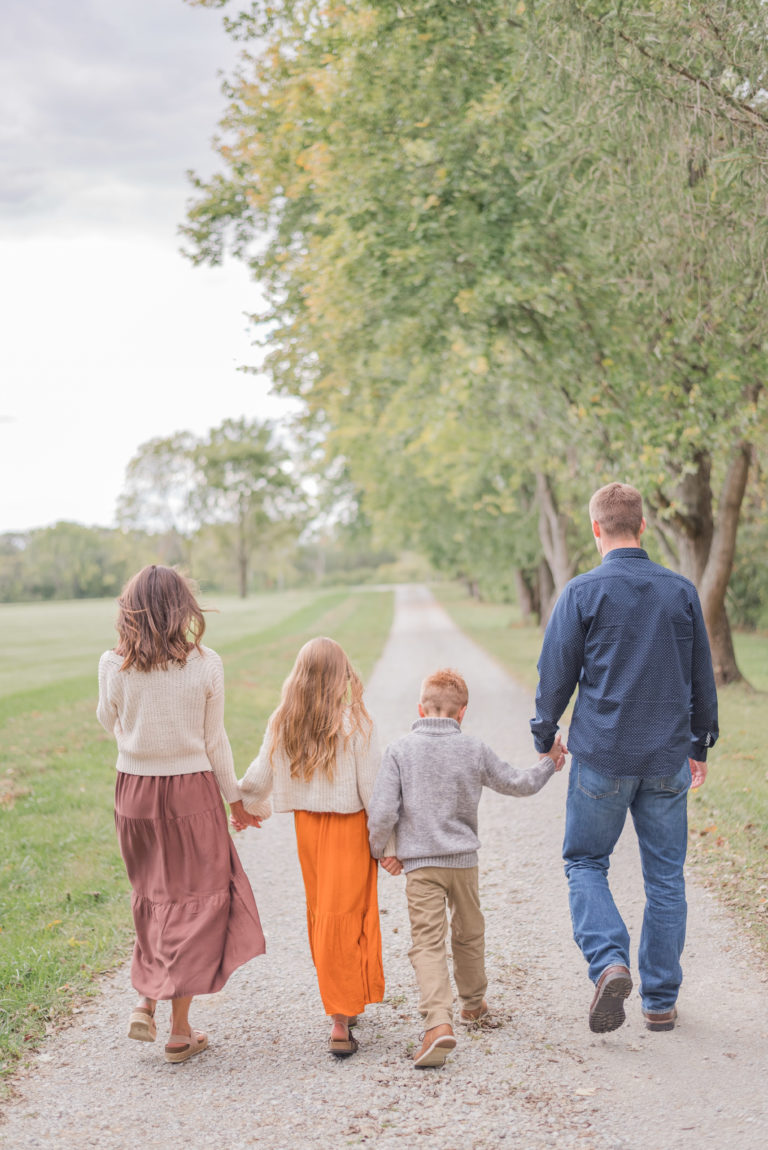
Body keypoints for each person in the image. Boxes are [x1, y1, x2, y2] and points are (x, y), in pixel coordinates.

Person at [531, 482, 719, 1034]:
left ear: (596, 529)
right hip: (666, 759)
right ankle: (659, 1001)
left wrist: (545, 735)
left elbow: (554, 677)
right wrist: (700, 744)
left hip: (602, 758)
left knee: (586, 862)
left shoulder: (582, 593)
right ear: (642, 527)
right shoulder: (680, 591)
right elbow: (701, 677)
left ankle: (609, 962)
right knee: (665, 878)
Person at [97, 565, 268, 1063]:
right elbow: (215, 741)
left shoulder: (112, 663)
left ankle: (145, 1001)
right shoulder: (206, 663)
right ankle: (179, 1031)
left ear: (129, 609)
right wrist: (236, 801)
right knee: (195, 901)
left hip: (133, 793)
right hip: (190, 792)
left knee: (153, 894)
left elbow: (107, 718)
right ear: (183, 607)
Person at [367, 668, 565, 1068]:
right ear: (462, 714)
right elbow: (517, 783)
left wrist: (380, 851)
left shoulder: (399, 750)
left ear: (420, 708)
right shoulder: (473, 749)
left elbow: (383, 812)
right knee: (469, 932)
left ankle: (438, 1024)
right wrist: (549, 763)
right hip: (463, 863)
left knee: (427, 941)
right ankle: (473, 1005)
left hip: (421, 867)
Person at [236, 636, 394, 1058]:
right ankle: (341, 1020)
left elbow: (258, 774)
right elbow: (375, 792)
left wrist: (241, 804)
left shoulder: (284, 720)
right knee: (349, 913)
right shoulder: (357, 724)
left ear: (300, 677)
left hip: (308, 831)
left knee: (326, 913)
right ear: (341, 676)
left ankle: (343, 1003)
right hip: (350, 830)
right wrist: (389, 843)